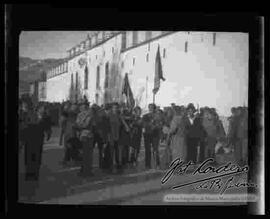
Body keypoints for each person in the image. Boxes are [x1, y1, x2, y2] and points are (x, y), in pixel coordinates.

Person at [21, 103, 52, 181]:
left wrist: (48, 134)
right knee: (31, 156)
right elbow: (24, 127)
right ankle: (31, 173)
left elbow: (47, 128)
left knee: (34, 156)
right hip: (32, 138)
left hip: (36, 138)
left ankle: (33, 173)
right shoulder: (28, 116)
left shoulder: (44, 118)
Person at [75, 102, 95, 177]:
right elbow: (77, 123)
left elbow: (86, 125)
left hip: (88, 135)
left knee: (88, 154)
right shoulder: (80, 115)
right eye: (81, 106)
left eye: (83, 106)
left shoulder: (89, 115)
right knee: (83, 154)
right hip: (82, 136)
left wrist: (79, 124)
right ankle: (84, 169)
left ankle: (87, 170)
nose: (81, 108)